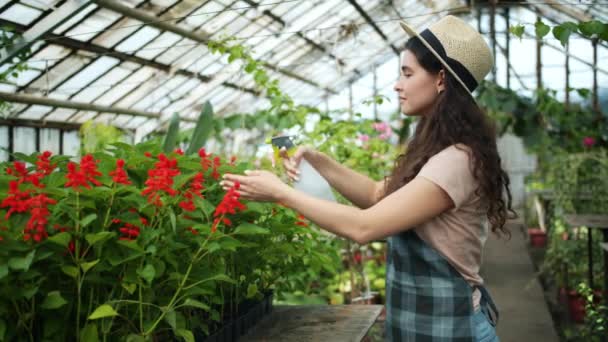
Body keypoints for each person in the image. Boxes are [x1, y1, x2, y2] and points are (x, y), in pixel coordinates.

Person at [221, 15, 514, 342]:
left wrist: (281, 193)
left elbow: (365, 226)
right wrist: (319, 161)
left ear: (441, 79)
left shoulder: (456, 160)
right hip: (425, 325)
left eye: (407, 73)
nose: (397, 85)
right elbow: (377, 194)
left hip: (455, 328)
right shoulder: (435, 148)